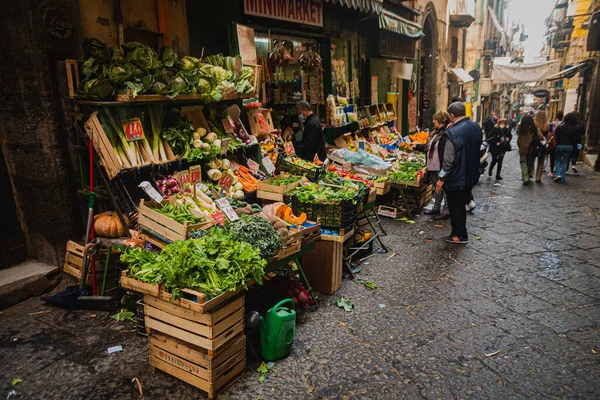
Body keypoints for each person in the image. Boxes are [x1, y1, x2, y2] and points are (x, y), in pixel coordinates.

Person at [436, 102, 482, 244]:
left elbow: (448, 160)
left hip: (456, 176)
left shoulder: (452, 133)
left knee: (455, 207)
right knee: (460, 205)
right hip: (471, 173)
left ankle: (459, 235)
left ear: (452, 115)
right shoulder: (475, 126)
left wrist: (441, 178)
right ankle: (459, 233)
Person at [416, 111, 451, 220]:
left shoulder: (446, 133)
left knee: (444, 187)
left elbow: (445, 151)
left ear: (440, 120)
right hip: (432, 165)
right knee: (436, 187)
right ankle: (436, 207)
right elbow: (428, 147)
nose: (432, 121)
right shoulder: (435, 132)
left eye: (434, 119)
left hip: (440, 165)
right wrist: (416, 146)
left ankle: (446, 210)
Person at [516, 115, 545, 185]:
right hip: (531, 148)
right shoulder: (534, 128)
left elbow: (518, 138)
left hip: (522, 148)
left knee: (523, 162)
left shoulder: (520, 128)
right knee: (530, 162)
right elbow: (541, 137)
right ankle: (528, 175)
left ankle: (525, 177)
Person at [554, 112, 581, 183]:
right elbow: (577, 138)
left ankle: (557, 174)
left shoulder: (560, 127)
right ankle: (562, 178)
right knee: (565, 161)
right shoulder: (576, 128)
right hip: (569, 146)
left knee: (558, 160)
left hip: (559, 145)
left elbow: (555, 136)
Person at [532, 110, 549, 182]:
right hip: (543, 144)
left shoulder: (533, 124)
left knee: (532, 159)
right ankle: (538, 177)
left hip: (534, 144)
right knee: (541, 161)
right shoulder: (547, 125)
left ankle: (531, 172)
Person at [546, 111, 563, 178]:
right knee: (559, 158)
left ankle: (552, 171)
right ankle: (557, 169)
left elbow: (549, 134)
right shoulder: (563, 124)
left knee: (552, 158)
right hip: (560, 143)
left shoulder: (551, 124)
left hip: (552, 143)